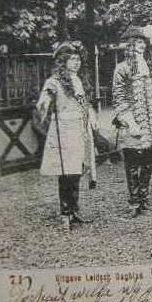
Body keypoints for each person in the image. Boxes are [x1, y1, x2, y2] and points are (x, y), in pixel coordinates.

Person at [36, 40, 97, 229]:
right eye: (72, 59)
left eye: (78, 59)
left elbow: (86, 104)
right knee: (65, 171)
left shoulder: (80, 80)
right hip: (63, 129)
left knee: (76, 169)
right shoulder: (54, 81)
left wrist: (92, 114)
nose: (76, 63)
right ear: (63, 61)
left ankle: (74, 209)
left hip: (79, 128)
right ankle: (65, 214)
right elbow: (42, 104)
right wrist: (46, 101)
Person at [112, 25, 152, 217]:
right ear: (130, 44)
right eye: (137, 42)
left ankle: (144, 198)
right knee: (133, 162)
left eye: (143, 42)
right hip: (132, 120)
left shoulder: (150, 66)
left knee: (148, 161)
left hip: (150, 120)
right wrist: (130, 122)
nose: (140, 45)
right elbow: (119, 99)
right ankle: (134, 202)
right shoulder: (122, 68)